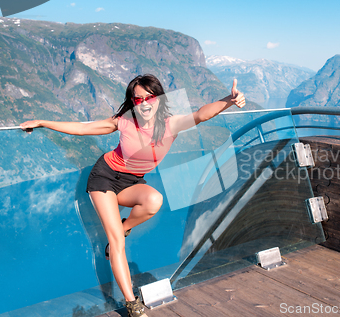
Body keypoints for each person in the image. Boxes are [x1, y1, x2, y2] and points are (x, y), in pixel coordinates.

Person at [20, 74, 246, 317]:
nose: (145, 103)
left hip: (130, 182)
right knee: (116, 242)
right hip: (104, 177)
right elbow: (83, 128)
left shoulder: (171, 125)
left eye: (150, 97)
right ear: (132, 101)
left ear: (159, 99)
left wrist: (229, 100)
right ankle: (131, 302)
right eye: (138, 99)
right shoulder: (124, 122)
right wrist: (43, 122)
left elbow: (202, 114)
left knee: (154, 200)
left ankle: (125, 226)